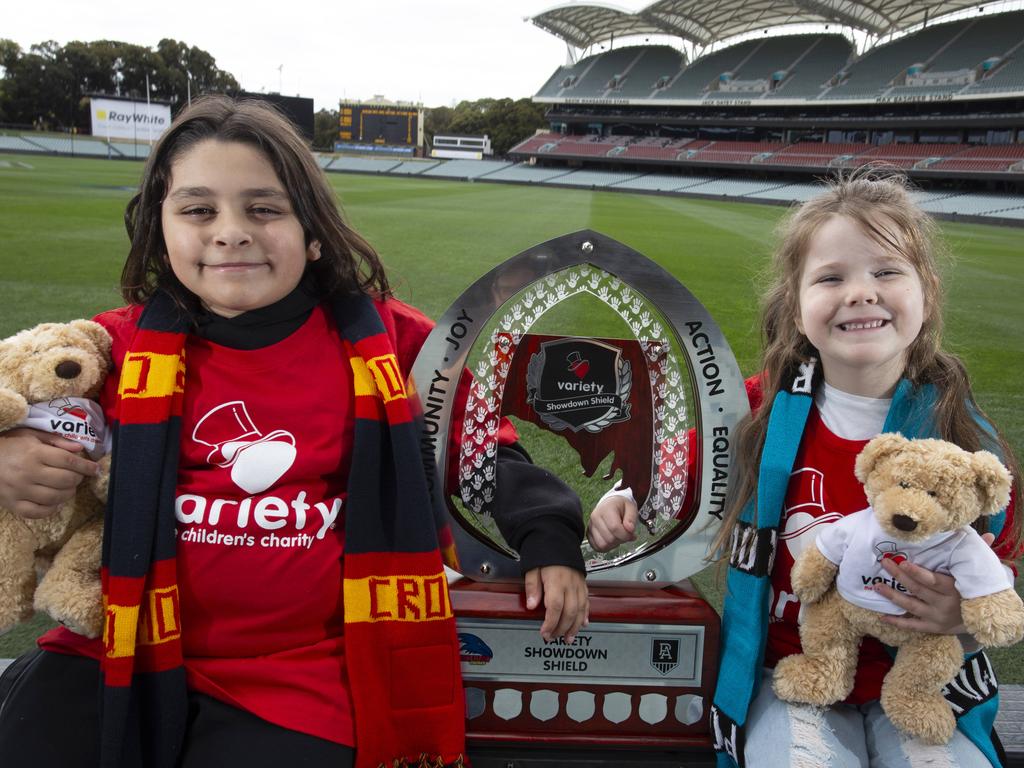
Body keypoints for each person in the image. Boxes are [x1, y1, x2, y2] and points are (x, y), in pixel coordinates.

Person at [0, 96, 588, 768]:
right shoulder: (116, 346)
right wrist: (6, 454)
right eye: (198, 210)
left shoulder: (391, 340)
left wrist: (549, 534)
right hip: (124, 639)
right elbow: (20, 398)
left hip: (299, 670)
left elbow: (479, 446)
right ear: (160, 230)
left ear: (312, 233)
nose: (230, 232)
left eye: (264, 209)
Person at [587, 173, 1022, 767]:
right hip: (793, 667)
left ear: (928, 291)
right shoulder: (761, 411)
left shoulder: (964, 437)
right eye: (831, 277)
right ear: (796, 303)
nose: (861, 292)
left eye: (887, 272)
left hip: (924, 682)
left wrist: (962, 622)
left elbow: (1001, 572)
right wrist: (623, 494)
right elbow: (671, 465)